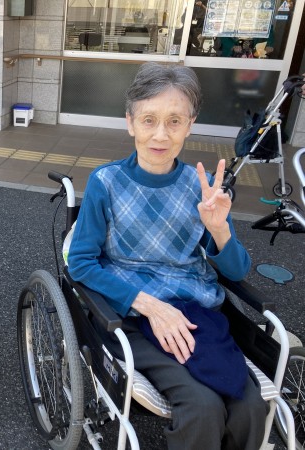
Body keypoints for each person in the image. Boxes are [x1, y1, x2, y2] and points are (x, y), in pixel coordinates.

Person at [67, 62, 268, 449]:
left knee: (250, 407)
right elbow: (81, 263)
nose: (160, 134)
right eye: (149, 120)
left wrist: (219, 229)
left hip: (197, 317)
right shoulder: (106, 182)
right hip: (132, 316)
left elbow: (237, 270)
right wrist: (152, 306)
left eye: (174, 121)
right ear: (130, 123)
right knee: (202, 407)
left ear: (190, 125)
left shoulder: (201, 187)